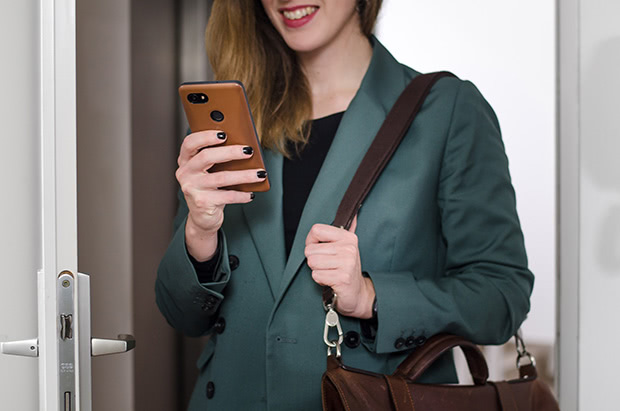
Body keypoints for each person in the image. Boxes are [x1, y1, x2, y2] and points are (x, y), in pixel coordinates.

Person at [155, 0, 534, 410]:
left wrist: (372, 297)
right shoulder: (237, 121)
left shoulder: (445, 111)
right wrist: (199, 234)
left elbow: (501, 296)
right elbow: (182, 316)